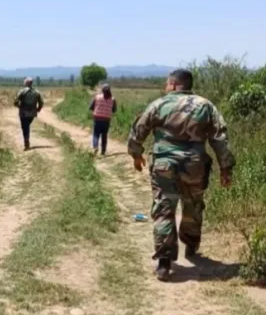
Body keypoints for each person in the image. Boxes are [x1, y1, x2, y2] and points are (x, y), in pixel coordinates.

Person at [127, 69, 235, 281]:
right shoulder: (205, 105)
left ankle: (165, 262)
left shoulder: (159, 104)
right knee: (193, 204)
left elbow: (138, 130)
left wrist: (136, 155)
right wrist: (226, 168)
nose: (166, 87)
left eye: (167, 84)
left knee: (164, 209)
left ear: (175, 85)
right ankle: (191, 243)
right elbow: (220, 138)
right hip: (194, 165)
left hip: (164, 165)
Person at [13, 77, 44, 150]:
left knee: (25, 127)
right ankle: (26, 141)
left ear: (26, 83)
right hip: (32, 113)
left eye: (24, 82)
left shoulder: (22, 91)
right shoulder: (36, 92)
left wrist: (19, 106)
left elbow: (15, 102)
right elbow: (41, 102)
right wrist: (38, 109)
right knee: (27, 126)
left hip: (23, 113)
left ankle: (26, 142)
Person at [89, 83, 117, 155]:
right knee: (104, 135)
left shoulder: (97, 97)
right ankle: (103, 151)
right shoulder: (113, 99)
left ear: (102, 90)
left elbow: (91, 107)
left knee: (96, 134)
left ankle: (95, 147)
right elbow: (114, 110)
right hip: (106, 120)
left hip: (97, 118)